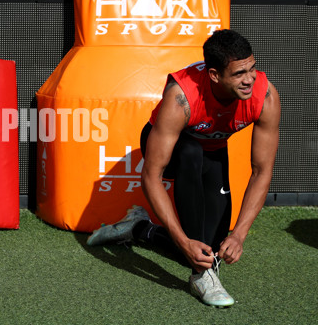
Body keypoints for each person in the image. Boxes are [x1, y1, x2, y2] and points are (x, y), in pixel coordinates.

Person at [87, 29, 281, 308]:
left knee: (210, 250)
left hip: (214, 149)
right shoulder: (181, 97)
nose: (249, 79)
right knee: (191, 154)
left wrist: (239, 234)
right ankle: (201, 276)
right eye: (239, 74)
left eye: (252, 68)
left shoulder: (265, 96)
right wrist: (182, 240)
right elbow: (151, 176)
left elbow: (262, 171)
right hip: (177, 149)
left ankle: (140, 228)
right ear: (214, 75)